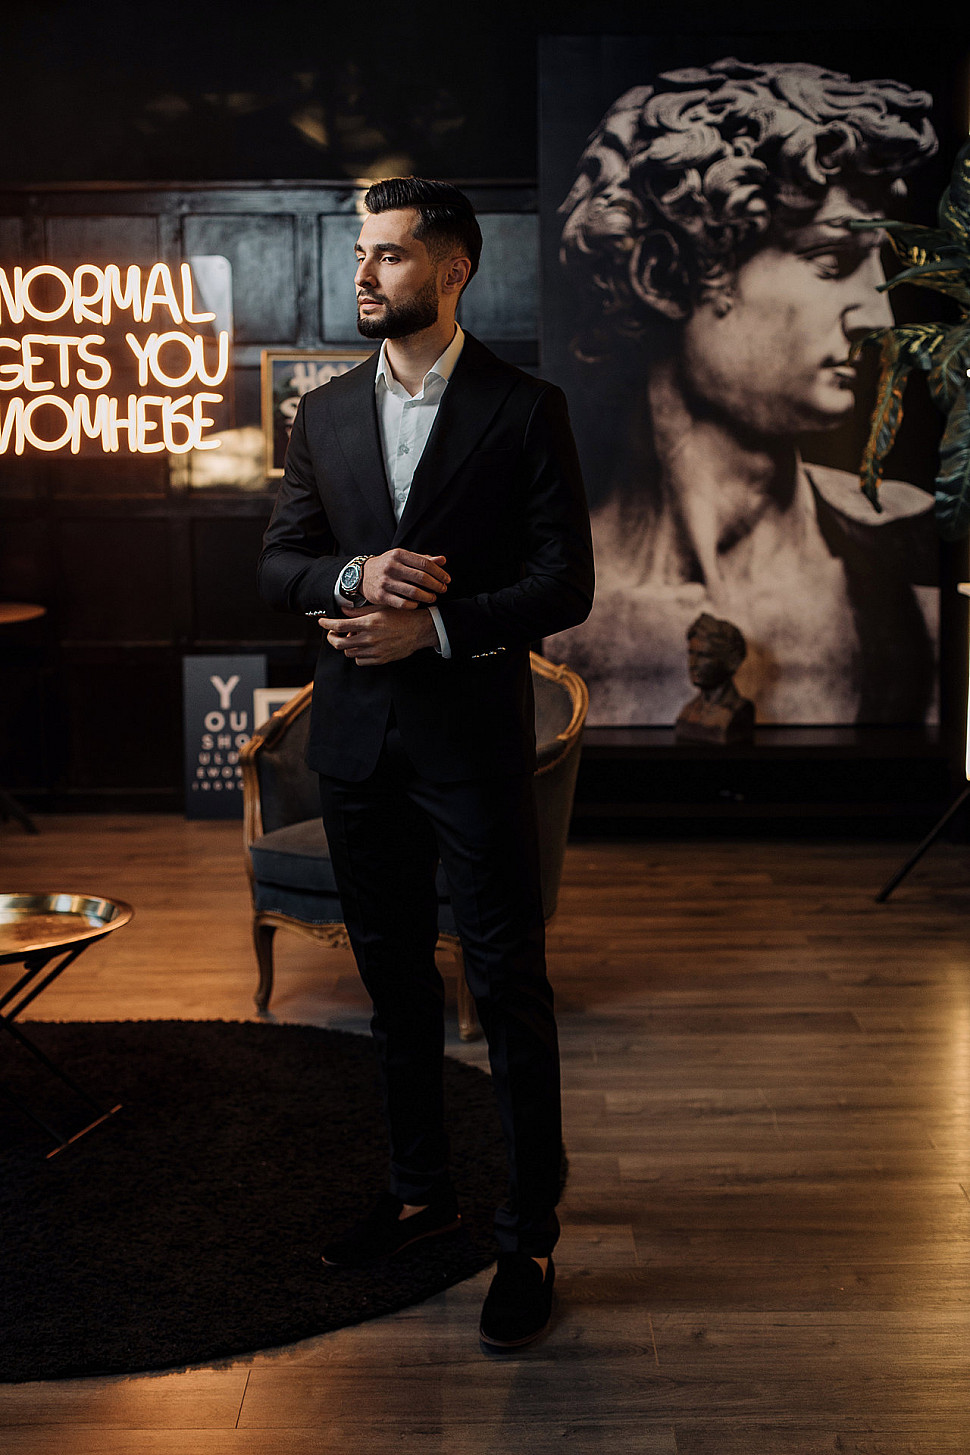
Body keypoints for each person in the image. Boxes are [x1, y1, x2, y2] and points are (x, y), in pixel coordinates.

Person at [258, 177, 594, 1350]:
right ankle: (418, 1197)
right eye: (360, 253)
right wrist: (352, 577)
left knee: (506, 987)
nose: (363, 272)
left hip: (472, 744)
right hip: (354, 746)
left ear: (452, 272)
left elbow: (565, 585)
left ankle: (527, 1235)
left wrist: (436, 630)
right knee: (392, 986)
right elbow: (280, 563)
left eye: (390, 254)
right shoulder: (322, 413)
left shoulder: (525, 408)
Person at [544, 58, 940, 727]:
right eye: (833, 262)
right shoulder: (545, 589)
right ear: (664, 275)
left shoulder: (910, 559)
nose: (880, 318)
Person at [675, 613, 754, 744]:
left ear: (729, 661)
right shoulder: (688, 710)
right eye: (691, 653)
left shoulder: (739, 711)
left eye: (704, 655)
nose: (693, 664)